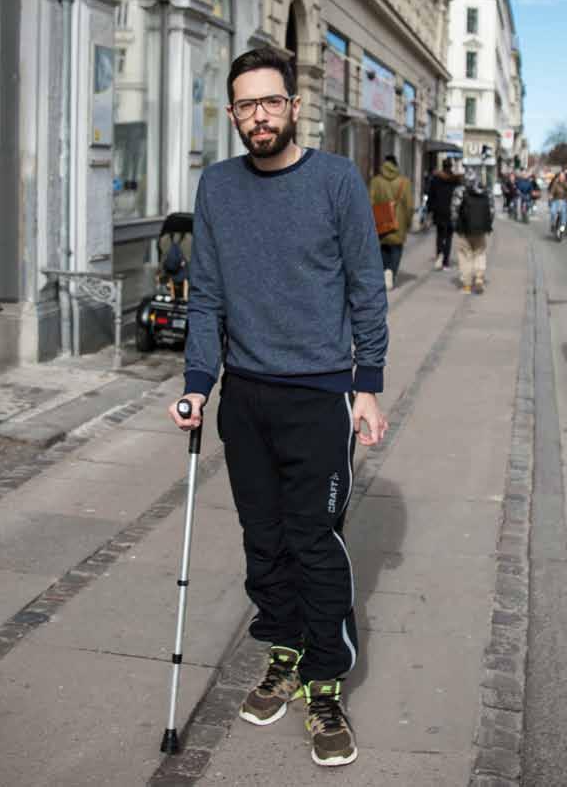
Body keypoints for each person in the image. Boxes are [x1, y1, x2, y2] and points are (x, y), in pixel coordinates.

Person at [168, 46, 389, 768]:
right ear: (232, 114)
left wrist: (367, 385)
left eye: (270, 101)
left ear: (295, 106)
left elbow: (365, 286)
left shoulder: (336, 181)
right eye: (246, 105)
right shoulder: (218, 186)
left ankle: (325, 684)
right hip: (246, 397)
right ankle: (284, 651)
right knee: (262, 540)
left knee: (313, 541)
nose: (258, 116)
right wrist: (198, 382)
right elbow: (207, 294)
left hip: (320, 396)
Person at [369, 153, 414, 289]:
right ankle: (391, 273)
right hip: (399, 223)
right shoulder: (404, 182)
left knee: (383, 248)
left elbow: (370, 202)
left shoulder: (376, 181)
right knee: (396, 249)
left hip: (381, 222)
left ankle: (384, 271)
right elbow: (409, 206)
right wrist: (408, 223)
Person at [452, 168, 495, 294]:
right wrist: (487, 225)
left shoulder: (459, 190)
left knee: (465, 256)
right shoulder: (486, 191)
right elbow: (492, 211)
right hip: (481, 229)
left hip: (464, 229)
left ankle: (467, 285)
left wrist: (455, 225)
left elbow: (454, 210)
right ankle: (479, 278)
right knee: (480, 253)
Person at [427, 158, 459, 270]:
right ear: (451, 167)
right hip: (451, 212)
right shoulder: (455, 180)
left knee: (440, 235)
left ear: (443, 166)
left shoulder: (436, 179)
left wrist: (430, 210)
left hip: (439, 211)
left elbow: (431, 195)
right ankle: (445, 261)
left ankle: (439, 256)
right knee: (449, 236)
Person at [548, 170, 567, 235]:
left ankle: (563, 226)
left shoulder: (566, 184)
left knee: (564, 213)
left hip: (564, 201)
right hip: (555, 200)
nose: (562, 177)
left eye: (563, 176)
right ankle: (553, 224)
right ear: (558, 177)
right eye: (560, 176)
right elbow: (552, 191)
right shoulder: (555, 184)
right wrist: (551, 196)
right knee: (553, 212)